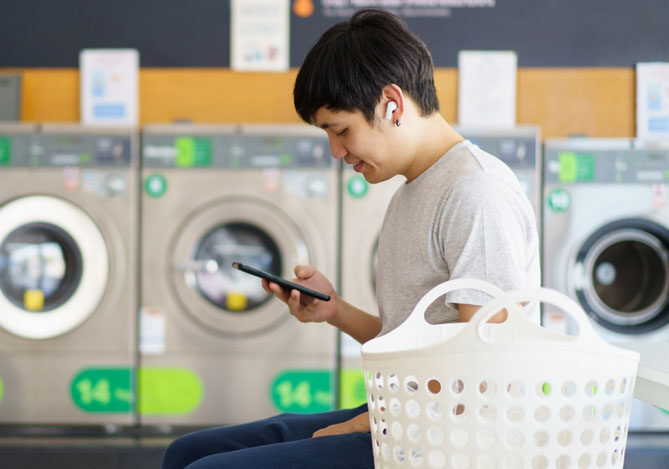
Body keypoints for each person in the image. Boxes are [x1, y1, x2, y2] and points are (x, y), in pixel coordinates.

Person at [162, 8, 540, 469]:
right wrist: (333, 310)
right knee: (188, 452)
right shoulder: (413, 188)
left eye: (340, 131)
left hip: (453, 441)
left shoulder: (475, 192)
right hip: (410, 417)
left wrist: (365, 425)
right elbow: (407, 345)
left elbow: (484, 372)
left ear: (392, 104)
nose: (336, 152)